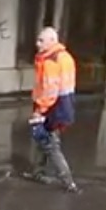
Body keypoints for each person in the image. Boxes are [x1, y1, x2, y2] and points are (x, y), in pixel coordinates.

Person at [28, 27, 80, 193]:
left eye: (41, 41)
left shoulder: (51, 60)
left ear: (52, 41)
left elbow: (50, 90)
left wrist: (40, 110)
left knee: (50, 144)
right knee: (43, 139)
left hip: (51, 107)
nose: (37, 44)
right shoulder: (64, 57)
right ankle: (38, 172)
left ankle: (68, 182)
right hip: (63, 105)